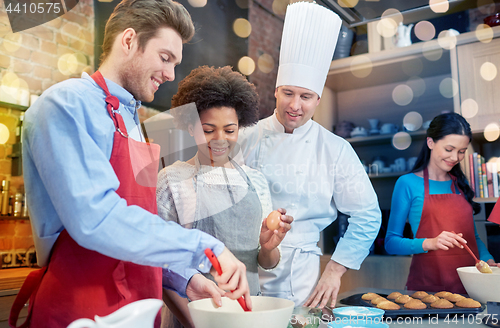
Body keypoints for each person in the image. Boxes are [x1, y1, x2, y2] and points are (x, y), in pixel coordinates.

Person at [10, 1, 250, 327]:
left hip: (138, 309)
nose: (170, 74)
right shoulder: (65, 104)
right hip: (82, 310)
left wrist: (184, 279)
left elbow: (138, 229)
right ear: (128, 41)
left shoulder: (131, 121)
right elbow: (97, 218)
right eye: (165, 58)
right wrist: (206, 247)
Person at [237, 2, 382, 309]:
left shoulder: (335, 149)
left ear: (317, 99)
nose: (295, 105)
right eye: (288, 93)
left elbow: (368, 214)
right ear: (275, 91)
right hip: (242, 267)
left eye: (305, 97)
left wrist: (335, 269)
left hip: (301, 275)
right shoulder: (244, 137)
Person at [156, 66, 293, 327]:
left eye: (229, 130)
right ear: (190, 126)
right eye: (208, 130)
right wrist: (197, 323)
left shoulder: (256, 181)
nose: (220, 139)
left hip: (248, 316)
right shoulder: (171, 180)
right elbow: (161, 265)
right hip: (190, 318)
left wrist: (268, 247)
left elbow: (266, 264)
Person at [385, 112, 497, 293]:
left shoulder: (460, 184)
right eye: (449, 149)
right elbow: (390, 243)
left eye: (461, 151)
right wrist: (430, 243)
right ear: (430, 143)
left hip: (471, 289)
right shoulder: (407, 184)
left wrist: (488, 261)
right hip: (428, 290)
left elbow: (472, 239)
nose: (455, 157)